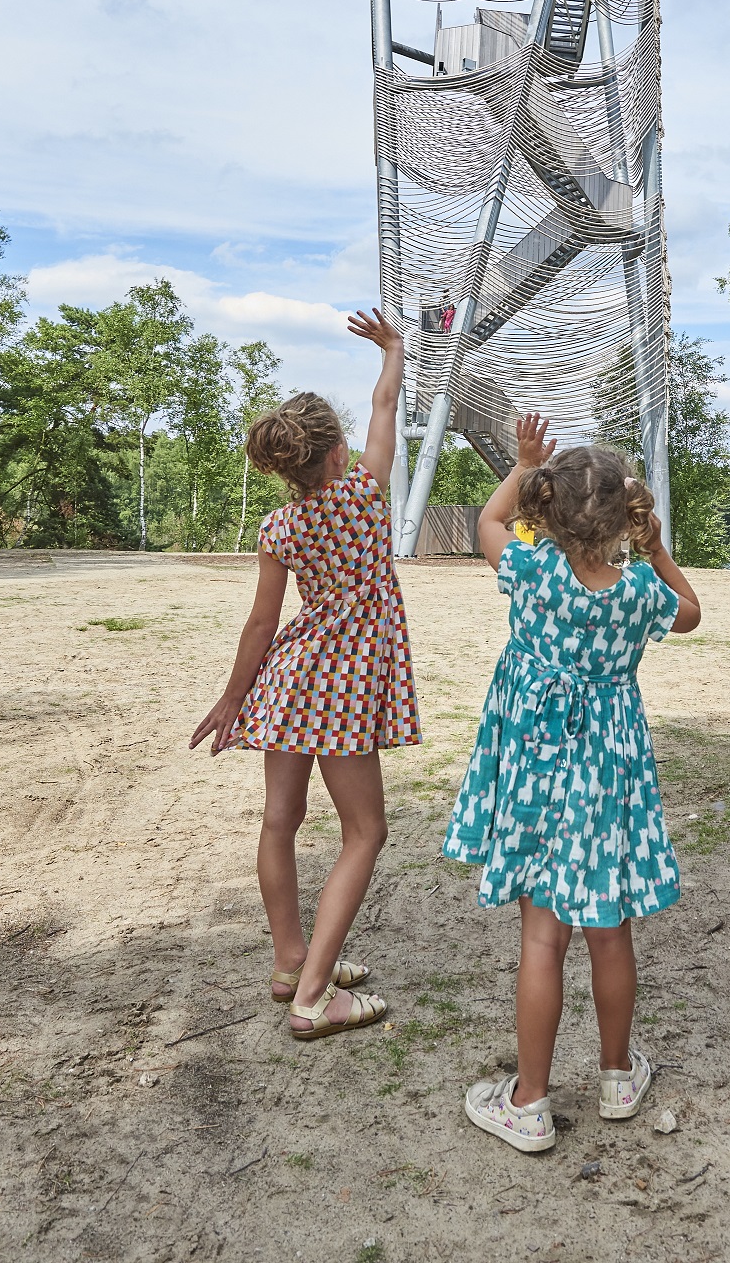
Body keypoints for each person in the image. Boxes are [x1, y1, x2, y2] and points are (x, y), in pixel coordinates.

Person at [445, 416, 700, 1154]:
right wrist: (653, 547)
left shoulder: (530, 571)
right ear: (626, 515)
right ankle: (618, 1076)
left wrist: (523, 466)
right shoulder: (642, 594)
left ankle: (527, 1101)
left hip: (534, 769)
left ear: (547, 509)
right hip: (608, 777)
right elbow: (692, 614)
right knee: (610, 929)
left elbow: (490, 520)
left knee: (541, 937)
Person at [189, 309, 417, 1041]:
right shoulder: (365, 496)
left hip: (289, 679)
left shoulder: (279, 528)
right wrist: (393, 350)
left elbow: (262, 624)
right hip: (344, 685)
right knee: (365, 832)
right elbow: (387, 405)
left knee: (280, 822)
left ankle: (292, 959)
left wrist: (232, 698)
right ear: (338, 453)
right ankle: (315, 997)